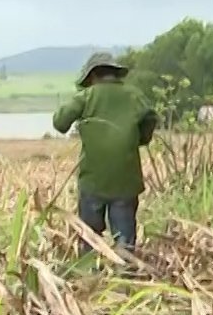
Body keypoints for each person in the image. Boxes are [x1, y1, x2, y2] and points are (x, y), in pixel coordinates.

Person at [52, 52, 158, 248]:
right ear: (115, 74)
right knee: (124, 239)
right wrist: (139, 139)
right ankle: (125, 272)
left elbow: (60, 123)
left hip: (93, 180)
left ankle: (88, 272)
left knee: (89, 240)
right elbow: (150, 118)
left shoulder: (87, 96)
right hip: (126, 180)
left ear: (92, 76)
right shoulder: (135, 96)